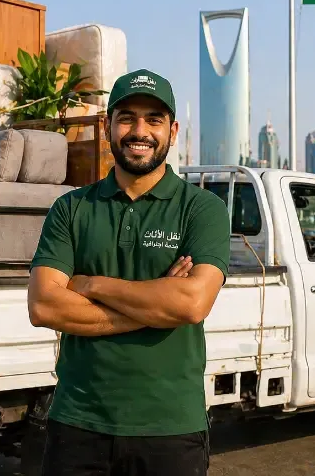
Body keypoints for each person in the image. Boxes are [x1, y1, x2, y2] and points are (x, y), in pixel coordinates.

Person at [27, 68, 231, 475]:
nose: (140, 131)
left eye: (154, 120)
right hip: (78, 422)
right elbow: (44, 306)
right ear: (108, 127)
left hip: (170, 428)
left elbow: (191, 303)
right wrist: (156, 306)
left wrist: (92, 284)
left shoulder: (202, 209)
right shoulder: (72, 208)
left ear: (173, 131)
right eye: (127, 118)